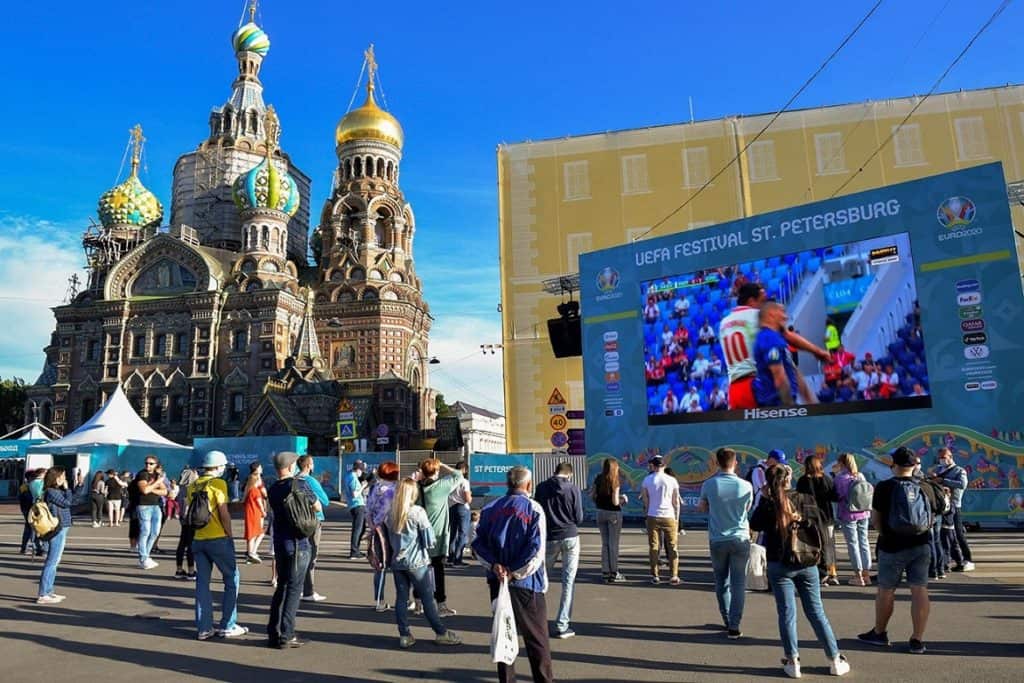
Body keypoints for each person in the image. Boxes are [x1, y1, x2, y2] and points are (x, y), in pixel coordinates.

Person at [750, 465, 851, 678]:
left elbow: (755, 524)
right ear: (789, 479)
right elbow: (819, 527)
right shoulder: (805, 499)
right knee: (816, 612)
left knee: (787, 613)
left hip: (779, 563)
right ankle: (834, 658)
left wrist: (766, 498)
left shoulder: (769, 504)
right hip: (806, 561)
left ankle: (792, 660)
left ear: (768, 483)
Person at [472, 466, 553, 683]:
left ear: (508, 484)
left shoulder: (490, 508)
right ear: (528, 484)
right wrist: (514, 572)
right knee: (537, 639)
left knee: (504, 632)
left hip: (498, 580)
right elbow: (536, 550)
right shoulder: (533, 508)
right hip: (526, 583)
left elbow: (477, 544)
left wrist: (495, 566)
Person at [858, 446, 936, 655]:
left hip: (892, 545)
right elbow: (935, 514)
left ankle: (880, 633)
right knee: (919, 589)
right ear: (914, 466)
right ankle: (917, 639)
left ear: (893, 465)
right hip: (921, 544)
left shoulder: (884, 487)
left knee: (886, 590)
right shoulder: (926, 487)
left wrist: (885, 534)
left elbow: (875, 519)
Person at [719, 283, 829, 409]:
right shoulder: (757, 317)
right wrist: (817, 351)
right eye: (762, 301)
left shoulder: (724, 323)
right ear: (751, 301)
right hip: (757, 386)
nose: (764, 306)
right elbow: (788, 336)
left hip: (734, 390)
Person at [388, 478, 463, 649]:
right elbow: (429, 540)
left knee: (401, 599)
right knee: (428, 599)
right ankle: (441, 632)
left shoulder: (391, 513)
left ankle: (405, 635)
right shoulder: (417, 512)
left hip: (397, 562)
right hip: (417, 562)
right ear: (412, 493)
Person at [188, 450, 247, 640]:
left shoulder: (193, 486)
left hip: (198, 539)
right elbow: (224, 513)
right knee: (232, 579)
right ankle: (228, 625)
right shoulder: (218, 484)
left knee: (202, 583)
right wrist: (230, 535)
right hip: (218, 539)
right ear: (218, 467)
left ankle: (204, 627)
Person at [698, 447, 753, 638]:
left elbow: (702, 507)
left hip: (718, 538)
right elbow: (747, 509)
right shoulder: (745, 485)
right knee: (739, 583)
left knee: (721, 581)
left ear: (716, 463)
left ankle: (726, 618)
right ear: (735, 462)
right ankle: (734, 625)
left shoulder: (709, 484)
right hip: (740, 537)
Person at [266, 451, 319, 649]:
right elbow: (318, 506)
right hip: (299, 542)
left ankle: (274, 632)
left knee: (282, 586)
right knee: (294, 589)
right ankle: (287, 635)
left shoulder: (272, 488)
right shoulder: (299, 484)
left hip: (280, 541)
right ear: (289, 467)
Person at [535, 462, 584, 639]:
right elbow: (579, 517)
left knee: (540, 579)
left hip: (549, 537)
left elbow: (537, 512)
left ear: (554, 472)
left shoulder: (541, 487)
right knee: (568, 581)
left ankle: (534, 619)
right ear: (569, 474)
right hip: (570, 535)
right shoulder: (573, 489)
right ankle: (562, 625)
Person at [416, 458, 464, 617]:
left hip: (419, 534)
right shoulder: (441, 486)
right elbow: (459, 475)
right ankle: (441, 605)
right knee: (438, 570)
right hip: (436, 536)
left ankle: (418, 603)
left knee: (420, 568)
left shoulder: (417, 487)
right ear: (436, 472)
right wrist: (442, 464)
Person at [796, 455, 839, 586]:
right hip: (826, 516)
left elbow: (799, 499)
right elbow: (834, 496)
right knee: (829, 545)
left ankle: (819, 572)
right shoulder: (826, 479)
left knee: (814, 545)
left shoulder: (803, 481)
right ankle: (832, 572)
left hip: (810, 518)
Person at [930, 447, 974, 572]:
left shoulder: (959, 470)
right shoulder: (938, 469)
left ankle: (968, 559)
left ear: (950, 456)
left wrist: (944, 481)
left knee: (958, 534)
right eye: (940, 458)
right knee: (945, 534)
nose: (941, 460)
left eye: (944, 457)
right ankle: (948, 560)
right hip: (941, 506)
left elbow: (962, 484)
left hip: (954, 505)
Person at [641, 455, 681, 585]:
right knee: (673, 546)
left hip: (653, 515)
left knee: (654, 546)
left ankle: (655, 575)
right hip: (669, 515)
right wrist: (677, 517)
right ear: (664, 465)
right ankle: (674, 575)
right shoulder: (672, 480)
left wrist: (647, 514)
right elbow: (676, 501)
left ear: (653, 465)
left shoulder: (647, 480)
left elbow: (646, 500)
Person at [834, 453, 872, 586]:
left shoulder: (840, 478)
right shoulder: (860, 475)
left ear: (842, 463)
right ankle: (866, 574)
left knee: (852, 543)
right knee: (864, 542)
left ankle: (858, 575)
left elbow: (838, 495)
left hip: (848, 513)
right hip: (864, 512)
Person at [36, 467, 73, 605]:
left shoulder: (56, 491)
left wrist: (68, 489)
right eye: (63, 476)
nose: (65, 478)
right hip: (57, 528)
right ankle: (43, 593)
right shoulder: (51, 491)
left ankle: (49, 591)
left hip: (62, 527)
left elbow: (69, 501)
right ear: (56, 478)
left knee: (55, 561)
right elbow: (68, 503)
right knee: (52, 561)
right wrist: (67, 488)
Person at [367, 461, 400, 611]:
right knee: (399, 564)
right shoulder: (394, 489)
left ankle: (379, 600)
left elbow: (368, 509)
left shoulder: (374, 488)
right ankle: (403, 599)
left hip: (377, 530)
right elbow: (387, 509)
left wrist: (372, 525)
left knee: (379, 566)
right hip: (393, 528)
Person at [298, 455, 330, 602]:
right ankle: (309, 591)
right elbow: (325, 500)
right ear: (309, 465)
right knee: (311, 555)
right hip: (314, 520)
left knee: (300, 554)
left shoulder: (294, 480)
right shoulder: (310, 481)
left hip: (298, 520)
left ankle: (298, 589)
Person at [592, 458, 628, 583]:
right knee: (613, 544)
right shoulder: (615, 480)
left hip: (600, 512)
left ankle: (605, 571)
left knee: (605, 543)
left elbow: (592, 495)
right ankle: (614, 572)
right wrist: (623, 500)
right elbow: (615, 502)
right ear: (615, 467)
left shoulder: (598, 478)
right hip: (613, 514)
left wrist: (599, 503)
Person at [134, 456, 168, 569]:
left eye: (151, 463)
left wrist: (152, 488)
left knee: (155, 532)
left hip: (156, 506)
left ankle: (146, 556)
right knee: (145, 531)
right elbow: (144, 490)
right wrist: (157, 483)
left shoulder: (156, 475)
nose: (148, 465)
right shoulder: (142, 474)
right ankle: (143, 558)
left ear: (156, 465)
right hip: (144, 506)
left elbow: (165, 491)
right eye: (146, 463)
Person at [446, 461, 473, 566]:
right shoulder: (464, 482)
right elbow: (467, 499)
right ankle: (458, 559)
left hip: (451, 506)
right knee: (462, 533)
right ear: (465, 470)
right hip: (462, 507)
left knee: (452, 532)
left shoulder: (449, 480)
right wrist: (470, 496)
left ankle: (450, 557)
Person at [175, 465, 199, 580]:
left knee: (182, 543)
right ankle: (191, 570)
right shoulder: (192, 488)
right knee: (190, 545)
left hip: (183, 518)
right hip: (190, 518)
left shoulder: (181, 488)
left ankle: (179, 569)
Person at [244, 462, 268, 564]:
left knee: (255, 533)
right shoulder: (255, 489)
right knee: (256, 532)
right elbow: (261, 497)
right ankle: (251, 552)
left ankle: (252, 552)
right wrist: (263, 510)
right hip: (256, 512)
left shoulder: (250, 488)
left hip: (254, 511)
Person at [344, 459, 368, 559]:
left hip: (354, 505)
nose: (361, 473)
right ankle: (354, 551)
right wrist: (363, 486)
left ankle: (356, 550)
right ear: (358, 469)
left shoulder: (348, 476)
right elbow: (355, 494)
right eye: (361, 471)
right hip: (357, 505)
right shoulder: (353, 478)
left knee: (361, 528)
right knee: (358, 529)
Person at [19, 468, 46, 556]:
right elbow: (29, 499)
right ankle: (35, 548)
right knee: (32, 529)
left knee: (29, 529)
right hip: (29, 509)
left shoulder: (27, 486)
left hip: (27, 509)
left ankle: (25, 547)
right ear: (30, 477)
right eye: (33, 476)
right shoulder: (27, 486)